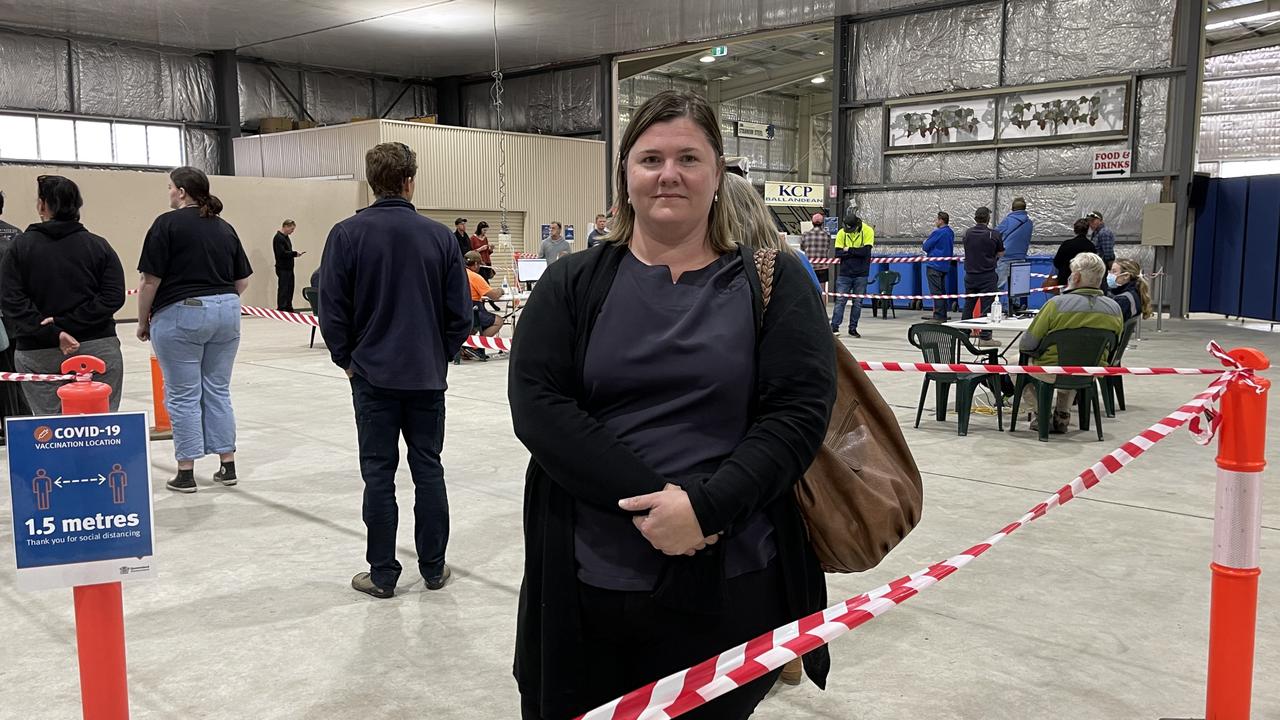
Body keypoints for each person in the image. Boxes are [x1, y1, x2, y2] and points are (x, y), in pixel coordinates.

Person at [509, 90, 835, 720]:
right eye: (650, 158)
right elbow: (540, 407)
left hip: (733, 574)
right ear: (627, 176)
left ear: (718, 174)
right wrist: (663, 506)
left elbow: (797, 414)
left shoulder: (773, 281)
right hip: (588, 578)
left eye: (689, 157)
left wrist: (707, 509)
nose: (669, 174)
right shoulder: (572, 283)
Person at [319, 142, 472, 600]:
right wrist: (438, 352)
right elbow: (460, 313)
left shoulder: (346, 234)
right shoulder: (441, 237)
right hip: (425, 377)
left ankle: (383, 573)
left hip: (372, 378)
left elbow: (332, 311)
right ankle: (433, 566)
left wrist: (347, 361)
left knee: (378, 475)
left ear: (372, 181)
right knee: (428, 468)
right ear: (411, 180)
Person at [136, 166, 253, 494]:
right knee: (217, 389)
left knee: (183, 393)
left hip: (182, 314)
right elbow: (242, 280)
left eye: (171, 187)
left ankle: (186, 471)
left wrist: (144, 321)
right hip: (227, 311)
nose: (170, 193)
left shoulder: (166, 224)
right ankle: (227, 464)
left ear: (182, 192)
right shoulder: (225, 228)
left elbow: (149, 281)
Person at [1, 175, 125, 416]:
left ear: (42, 205)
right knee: (100, 429)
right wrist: (66, 325)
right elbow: (112, 297)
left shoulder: (20, 248)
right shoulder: (99, 246)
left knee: (52, 430)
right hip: (96, 347)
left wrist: (54, 331)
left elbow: (11, 300)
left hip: (38, 351)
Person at [1019, 252, 1122, 433]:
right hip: (1091, 370)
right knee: (1076, 360)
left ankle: (1042, 414)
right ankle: (1062, 414)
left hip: (1052, 369)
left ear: (1075, 276)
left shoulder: (1055, 304)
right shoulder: (1115, 308)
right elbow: (1115, 345)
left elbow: (1027, 344)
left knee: (1014, 364)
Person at [0, 190, 31, 438]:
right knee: (14, 373)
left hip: (7, 318)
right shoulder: (17, 236)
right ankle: (18, 423)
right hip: (16, 318)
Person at [961, 206, 1003, 345]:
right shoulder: (994, 234)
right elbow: (1001, 253)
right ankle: (985, 337)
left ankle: (963, 335)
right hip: (987, 275)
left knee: (969, 305)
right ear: (988, 219)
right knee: (987, 306)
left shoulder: (967, 233)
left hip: (970, 275)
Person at [830, 210, 874, 338]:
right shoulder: (841, 233)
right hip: (845, 273)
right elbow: (837, 253)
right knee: (840, 301)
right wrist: (856, 252)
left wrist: (848, 249)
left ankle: (853, 328)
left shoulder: (868, 231)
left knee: (858, 302)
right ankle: (834, 327)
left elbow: (866, 252)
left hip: (861, 273)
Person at [995, 198, 1033, 312]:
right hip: (1021, 257)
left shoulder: (1008, 220)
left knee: (999, 284)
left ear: (1012, 208)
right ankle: (1014, 306)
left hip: (1006, 256)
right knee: (1016, 285)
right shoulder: (1029, 223)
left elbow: (996, 233)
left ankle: (997, 305)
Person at [922, 211, 955, 322]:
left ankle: (938, 316)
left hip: (934, 265)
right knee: (942, 291)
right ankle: (943, 314)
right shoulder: (950, 232)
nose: (935, 221)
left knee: (936, 292)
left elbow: (926, 246)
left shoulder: (938, 232)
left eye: (937, 219)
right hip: (945, 265)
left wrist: (925, 242)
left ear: (941, 220)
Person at [465, 251, 504, 337]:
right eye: (479, 264)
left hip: (461, 310)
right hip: (473, 310)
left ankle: (468, 345)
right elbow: (494, 296)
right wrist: (500, 290)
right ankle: (479, 344)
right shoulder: (475, 277)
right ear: (475, 264)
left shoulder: (459, 273)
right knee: (498, 321)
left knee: (474, 328)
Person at [1053, 219, 1097, 289]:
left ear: (1075, 230)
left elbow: (1057, 262)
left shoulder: (1066, 244)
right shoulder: (1091, 246)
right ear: (1087, 230)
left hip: (1065, 281)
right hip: (1084, 282)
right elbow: (1094, 265)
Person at [1107, 258, 1153, 323]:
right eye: (1110, 271)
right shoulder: (1135, 292)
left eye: (1114, 271)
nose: (1110, 275)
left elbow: (1110, 323)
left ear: (1126, 276)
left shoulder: (1123, 299)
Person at [272, 219, 304, 312]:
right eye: (292, 229)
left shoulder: (286, 237)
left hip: (289, 268)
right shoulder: (278, 238)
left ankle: (288, 307)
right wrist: (294, 254)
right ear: (286, 226)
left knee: (290, 288)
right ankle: (282, 308)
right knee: (283, 289)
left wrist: (294, 254)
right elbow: (281, 253)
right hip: (283, 268)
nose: (292, 231)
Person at [800, 212, 833, 287]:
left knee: (810, 288)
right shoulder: (827, 235)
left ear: (812, 223)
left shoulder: (805, 234)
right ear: (822, 223)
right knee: (822, 290)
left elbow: (802, 248)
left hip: (809, 266)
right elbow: (830, 247)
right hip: (823, 267)